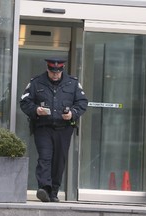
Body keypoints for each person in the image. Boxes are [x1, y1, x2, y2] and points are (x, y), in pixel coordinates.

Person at [20, 57, 88, 202]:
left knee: (59, 161)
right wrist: (36, 110)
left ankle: (54, 192)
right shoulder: (36, 82)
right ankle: (45, 188)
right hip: (43, 127)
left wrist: (72, 114)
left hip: (64, 129)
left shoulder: (73, 83)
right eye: (52, 72)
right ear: (48, 69)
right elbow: (25, 102)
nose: (55, 74)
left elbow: (82, 102)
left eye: (58, 72)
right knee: (45, 157)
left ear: (62, 70)